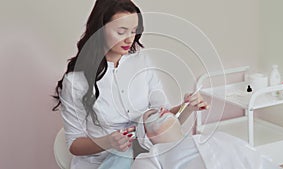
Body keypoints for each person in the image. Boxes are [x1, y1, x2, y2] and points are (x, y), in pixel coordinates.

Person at [52, 0, 207, 168]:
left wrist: (187, 107)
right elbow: (74, 144)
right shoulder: (76, 81)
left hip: (148, 153)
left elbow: (164, 121)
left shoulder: (142, 62)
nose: (129, 39)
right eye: (121, 31)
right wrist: (108, 142)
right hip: (102, 161)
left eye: (134, 31)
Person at [132, 108, 283, 169]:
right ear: (146, 136)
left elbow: (251, 159)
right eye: (152, 114)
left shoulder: (216, 137)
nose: (162, 109)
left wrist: (280, 166)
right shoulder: (151, 156)